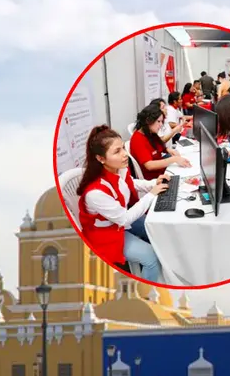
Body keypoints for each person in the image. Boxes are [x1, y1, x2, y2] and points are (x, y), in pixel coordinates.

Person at [78, 125, 170, 283]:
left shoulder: (117, 169)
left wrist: (153, 183)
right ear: (100, 159)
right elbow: (124, 219)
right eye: (117, 151)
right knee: (151, 258)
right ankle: (147, 293)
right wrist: (152, 194)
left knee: (159, 230)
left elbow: (130, 183)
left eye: (123, 148)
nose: (125, 154)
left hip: (119, 220)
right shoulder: (95, 193)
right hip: (106, 234)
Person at [129, 103, 191, 180]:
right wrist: (174, 159)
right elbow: (149, 165)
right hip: (155, 178)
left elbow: (159, 147)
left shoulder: (150, 133)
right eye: (158, 121)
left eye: (162, 121)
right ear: (148, 121)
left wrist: (169, 150)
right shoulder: (137, 139)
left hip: (161, 170)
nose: (161, 125)